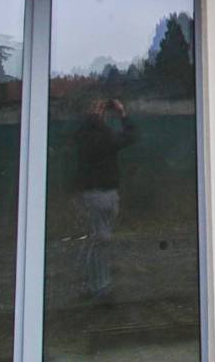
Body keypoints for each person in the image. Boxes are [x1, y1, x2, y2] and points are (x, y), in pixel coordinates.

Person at [73, 98, 136, 299]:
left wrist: (95, 115)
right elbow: (129, 137)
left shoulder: (86, 133)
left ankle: (89, 283)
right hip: (101, 194)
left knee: (96, 240)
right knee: (101, 241)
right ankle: (100, 287)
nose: (102, 112)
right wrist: (122, 113)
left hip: (98, 193)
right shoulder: (98, 134)